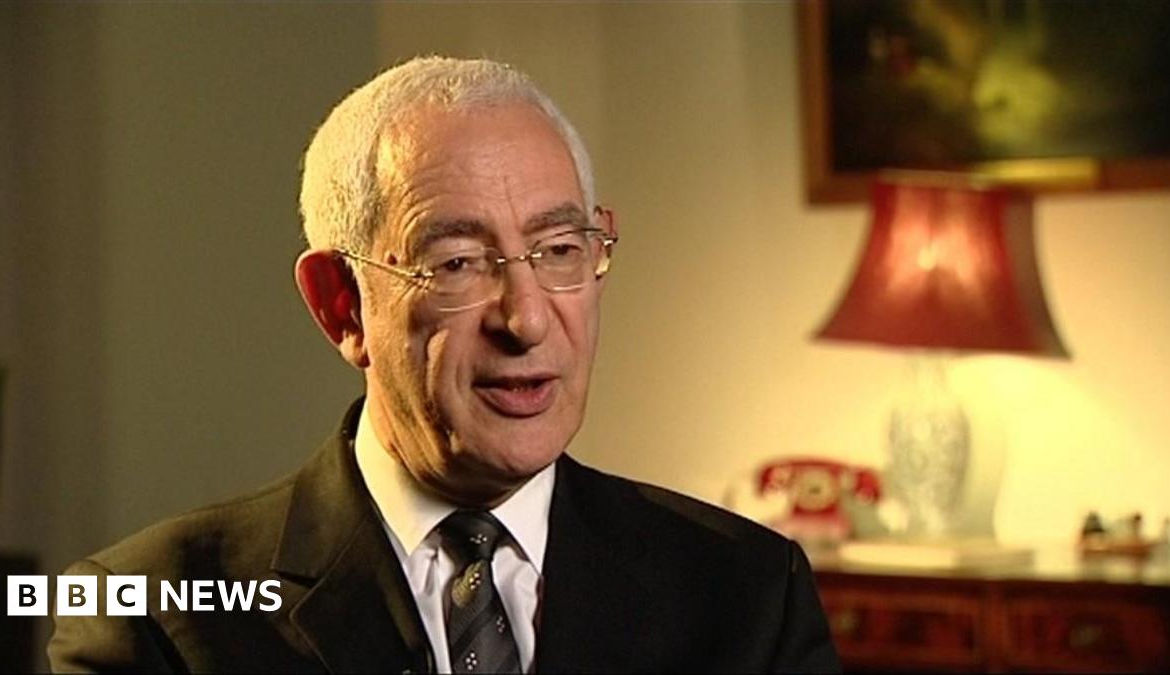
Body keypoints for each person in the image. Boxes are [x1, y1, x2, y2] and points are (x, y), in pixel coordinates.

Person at [48, 56, 840, 673]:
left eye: (561, 251)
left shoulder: (745, 593)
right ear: (341, 305)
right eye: (457, 263)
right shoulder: (153, 615)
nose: (527, 319)